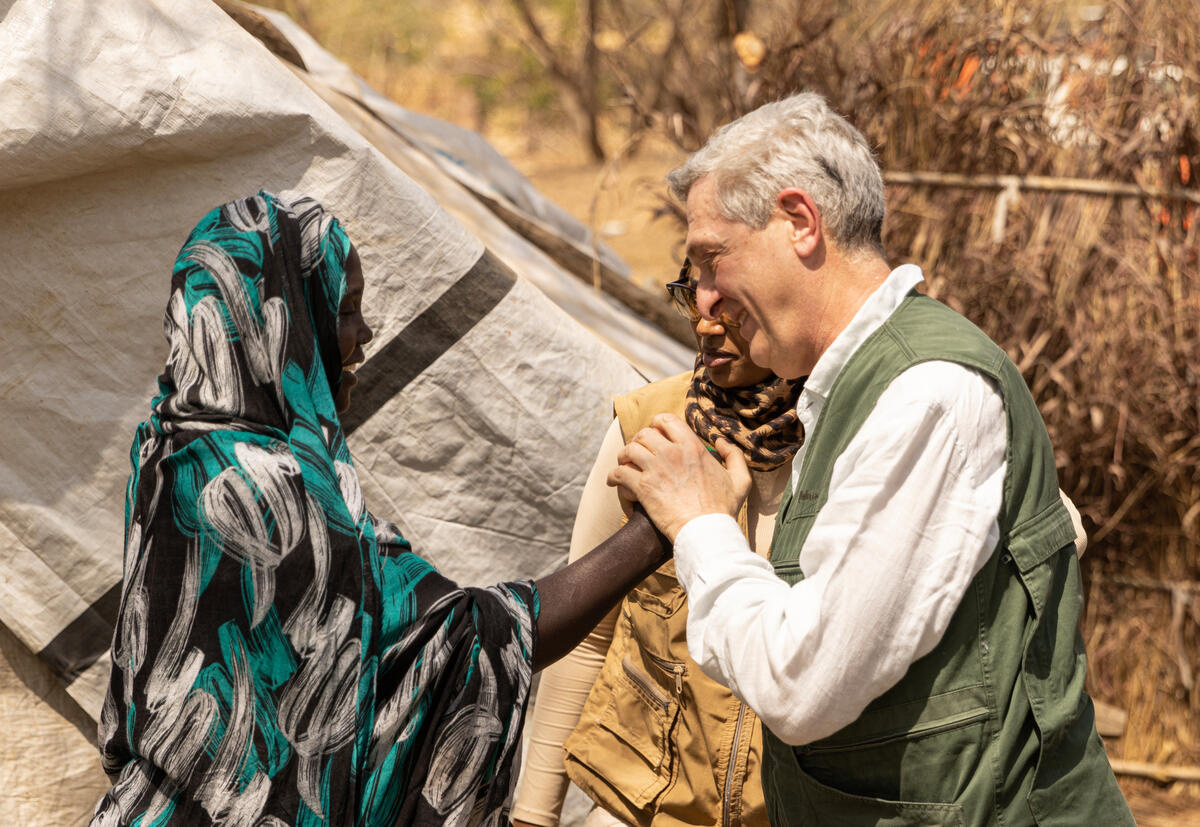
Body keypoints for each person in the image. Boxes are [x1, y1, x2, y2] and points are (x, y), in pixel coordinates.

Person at [607, 93, 1133, 825]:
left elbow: (801, 684)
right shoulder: (845, 387)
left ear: (800, 221)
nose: (704, 300)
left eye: (712, 260)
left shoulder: (927, 393)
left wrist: (699, 523)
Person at [91, 191, 671, 826]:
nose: (364, 335)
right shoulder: (263, 489)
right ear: (284, 321)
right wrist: (651, 533)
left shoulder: (168, 445)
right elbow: (464, 638)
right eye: (344, 310)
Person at [512, 263, 801, 826]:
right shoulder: (651, 427)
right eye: (693, 298)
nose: (706, 326)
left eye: (731, 304)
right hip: (644, 807)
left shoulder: (855, 446)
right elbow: (588, 635)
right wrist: (534, 815)